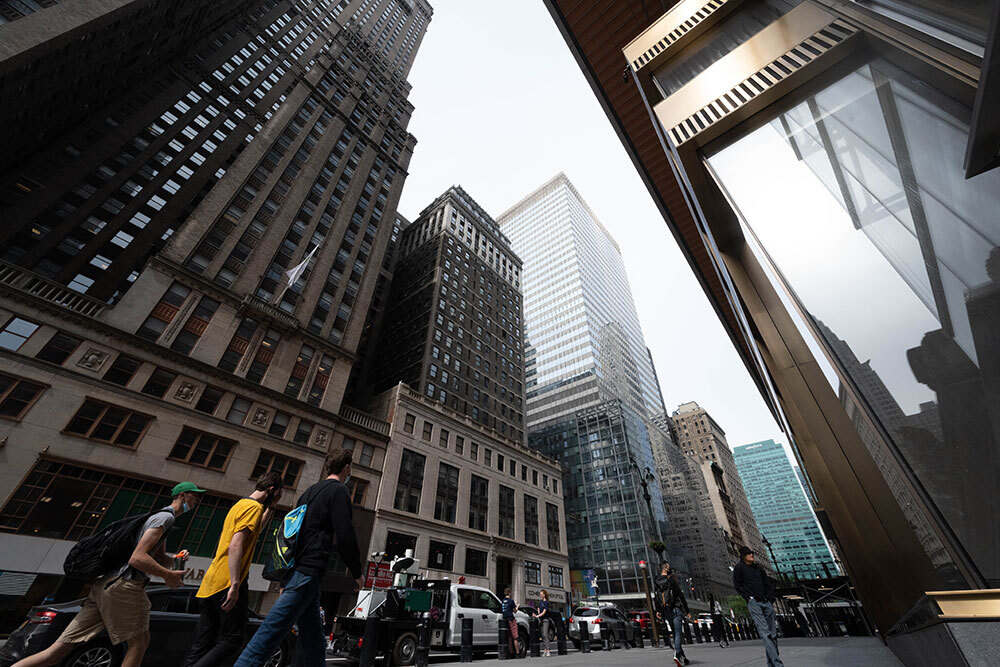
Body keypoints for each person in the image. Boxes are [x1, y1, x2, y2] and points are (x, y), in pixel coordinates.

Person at [11, 482, 202, 667]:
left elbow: (158, 557)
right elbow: (137, 559)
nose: (197, 502)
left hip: (105, 586)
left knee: (55, 654)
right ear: (183, 495)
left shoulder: (160, 518)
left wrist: (175, 559)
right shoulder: (165, 519)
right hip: (124, 587)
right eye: (195, 496)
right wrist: (167, 575)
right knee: (139, 643)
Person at [234, 449, 363, 667]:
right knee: (268, 636)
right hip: (306, 571)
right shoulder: (339, 491)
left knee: (313, 641)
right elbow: (345, 537)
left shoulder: (310, 492)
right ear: (347, 468)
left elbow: (294, 532)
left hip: (297, 570)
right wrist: (357, 574)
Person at [183, 472, 284, 667]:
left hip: (211, 582)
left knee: (204, 643)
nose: (278, 496)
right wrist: (235, 584)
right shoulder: (254, 507)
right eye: (278, 493)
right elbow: (236, 545)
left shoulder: (241, 505)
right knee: (233, 639)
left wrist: (271, 507)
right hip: (227, 581)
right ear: (271, 489)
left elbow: (255, 530)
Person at [733, 546, 785, 667]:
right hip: (754, 603)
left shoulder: (759, 569)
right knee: (765, 634)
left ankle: (772, 664)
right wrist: (748, 598)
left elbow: (767, 584)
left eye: (752, 553)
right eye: (749, 553)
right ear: (743, 556)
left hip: (766, 602)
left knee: (772, 635)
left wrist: (770, 599)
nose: (752, 555)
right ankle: (778, 664)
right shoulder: (739, 568)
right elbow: (737, 585)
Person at [654, 563, 690, 667]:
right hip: (675, 609)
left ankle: (683, 657)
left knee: (675, 633)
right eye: (668, 567)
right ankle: (677, 653)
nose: (670, 568)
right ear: (665, 568)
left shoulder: (657, 581)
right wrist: (687, 611)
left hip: (666, 610)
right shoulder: (671, 581)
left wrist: (658, 610)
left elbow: (656, 597)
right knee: (678, 633)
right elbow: (680, 595)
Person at [501, 588, 519, 657]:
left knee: (509, 637)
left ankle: (511, 653)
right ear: (509, 593)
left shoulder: (502, 601)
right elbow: (515, 611)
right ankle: (517, 653)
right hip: (511, 619)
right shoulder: (511, 601)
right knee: (515, 637)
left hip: (505, 620)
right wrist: (517, 607)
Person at [535, 589, 552, 657]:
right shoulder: (540, 602)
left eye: (541, 594)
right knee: (542, 636)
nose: (540, 595)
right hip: (541, 620)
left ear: (544, 595)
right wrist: (537, 611)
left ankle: (548, 650)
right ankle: (545, 650)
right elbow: (539, 612)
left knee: (545, 634)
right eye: (540, 594)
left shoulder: (546, 603)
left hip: (545, 620)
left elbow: (544, 612)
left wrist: (537, 616)